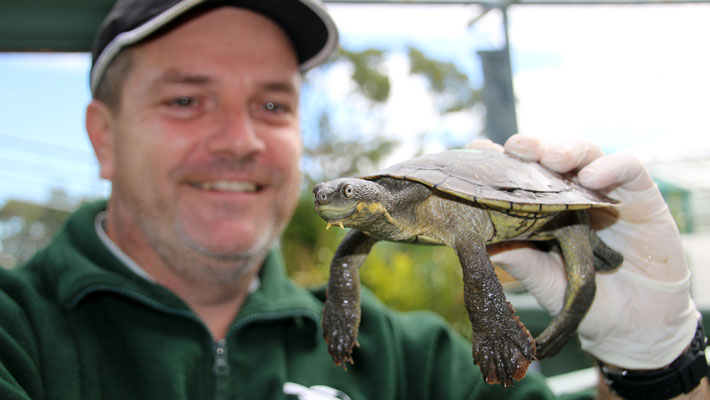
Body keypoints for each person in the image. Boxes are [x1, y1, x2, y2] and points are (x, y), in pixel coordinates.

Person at [0, 0, 705, 399]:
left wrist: (656, 365)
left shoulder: (414, 361)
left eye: (273, 103)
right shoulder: (17, 335)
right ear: (104, 138)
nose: (241, 139)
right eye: (187, 99)